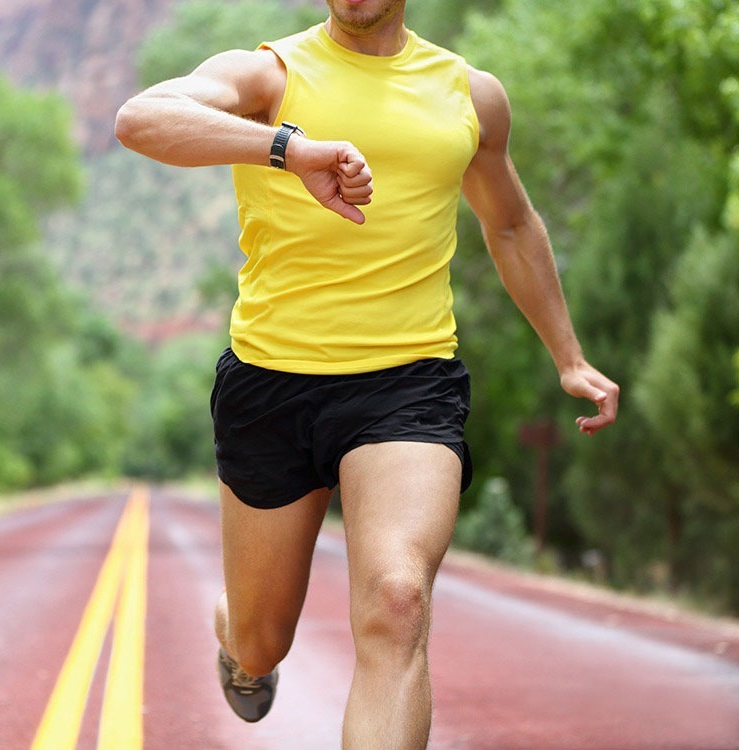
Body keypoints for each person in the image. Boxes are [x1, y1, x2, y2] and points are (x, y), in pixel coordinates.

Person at [115, 0, 619, 747]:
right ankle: (237, 635)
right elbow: (140, 119)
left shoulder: (468, 93)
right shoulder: (267, 73)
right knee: (261, 641)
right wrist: (288, 148)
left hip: (407, 383)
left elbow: (509, 222)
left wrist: (569, 355)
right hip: (271, 380)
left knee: (397, 600)